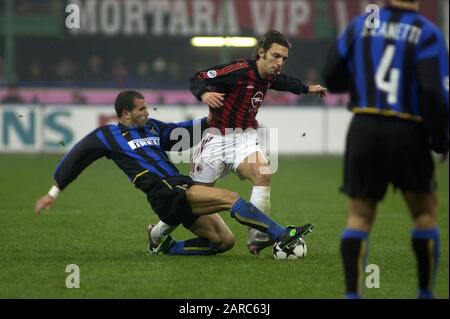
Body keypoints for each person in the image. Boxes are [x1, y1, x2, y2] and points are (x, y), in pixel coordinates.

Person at [34, 90, 313, 256]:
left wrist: (209, 121)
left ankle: (164, 247)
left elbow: (179, 132)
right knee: (230, 197)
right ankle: (280, 234)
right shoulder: (106, 135)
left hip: (178, 188)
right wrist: (53, 192)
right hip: (163, 191)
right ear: (125, 114)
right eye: (141, 109)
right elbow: (76, 159)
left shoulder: (152, 127)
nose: (147, 112)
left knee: (224, 243)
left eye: (146, 107)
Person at [148, 30, 325, 255]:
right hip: (215, 140)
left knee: (263, 174)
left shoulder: (269, 75)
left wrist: (308, 89)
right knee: (191, 203)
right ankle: (156, 234)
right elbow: (199, 77)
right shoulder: (238, 71)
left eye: (284, 58)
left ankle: (258, 236)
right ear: (261, 52)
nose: (279, 62)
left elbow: (284, 82)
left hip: (245, 139)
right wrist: (204, 95)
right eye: (275, 56)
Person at [322, 0, 448, 298]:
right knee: (424, 212)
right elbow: (433, 90)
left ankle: (352, 294)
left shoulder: (361, 23)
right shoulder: (427, 31)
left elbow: (331, 76)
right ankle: (425, 294)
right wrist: (440, 138)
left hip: (364, 127)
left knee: (360, 215)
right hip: (409, 129)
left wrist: (362, 83)